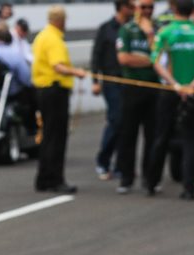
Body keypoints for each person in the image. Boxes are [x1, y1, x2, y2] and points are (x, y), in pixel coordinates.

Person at [148, 0, 194, 198]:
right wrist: (191, 86)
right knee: (192, 139)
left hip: (170, 92)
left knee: (161, 136)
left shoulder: (165, 33)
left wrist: (175, 85)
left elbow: (156, 62)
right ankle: (189, 188)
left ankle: (151, 183)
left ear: (173, 9)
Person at [32, 6, 89, 192]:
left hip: (43, 89)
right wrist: (77, 72)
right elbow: (58, 66)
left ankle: (44, 178)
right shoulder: (54, 39)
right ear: (61, 20)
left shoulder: (41, 36)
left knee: (49, 135)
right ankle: (55, 179)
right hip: (54, 90)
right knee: (57, 137)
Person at [115, 0, 161, 193]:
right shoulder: (127, 29)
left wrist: (150, 36)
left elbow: (160, 58)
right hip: (132, 87)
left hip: (154, 88)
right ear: (136, 8)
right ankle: (126, 178)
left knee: (153, 135)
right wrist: (149, 60)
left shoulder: (158, 30)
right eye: (144, 7)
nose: (147, 11)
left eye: (151, 7)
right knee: (127, 133)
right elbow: (124, 58)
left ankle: (150, 179)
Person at [91, 1, 134, 179]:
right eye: (130, 6)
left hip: (131, 82)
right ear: (121, 7)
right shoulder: (106, 28)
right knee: (116, 120)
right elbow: (96, 55)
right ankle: (103, 161)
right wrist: (95, 80)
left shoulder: (133, 28)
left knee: (128, 124)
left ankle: (121, 165)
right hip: (112, 81)